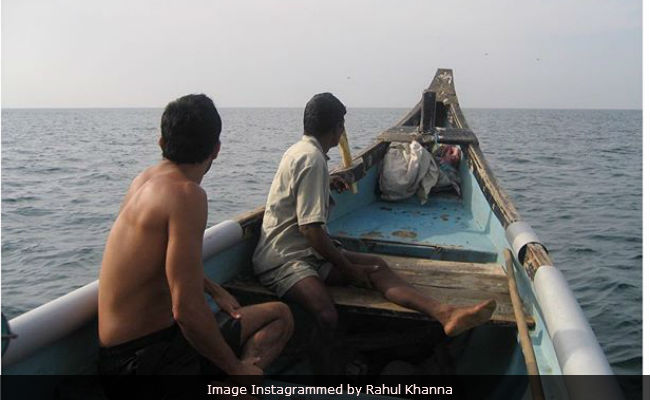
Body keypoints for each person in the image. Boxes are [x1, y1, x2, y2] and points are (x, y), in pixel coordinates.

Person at [252, 92, 495, 340]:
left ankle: (445, 313)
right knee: (326, 314)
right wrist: (347, 269)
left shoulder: (299, 151)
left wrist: (327, 182)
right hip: (284, 259)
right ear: (338, 129)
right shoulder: (312, 160)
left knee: (378, 266)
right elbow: (311, 230)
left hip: (305, 253)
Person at [98, 94, 293, 376]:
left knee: (278, 315)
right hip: (149, 363)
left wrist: (213, 289)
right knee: (280, 319)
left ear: (161, 142)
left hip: (116, 360)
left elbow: (157, 263)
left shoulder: (143, 181)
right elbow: (186, 311)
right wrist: (235, 368)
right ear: (216, 149)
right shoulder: (187, 195)